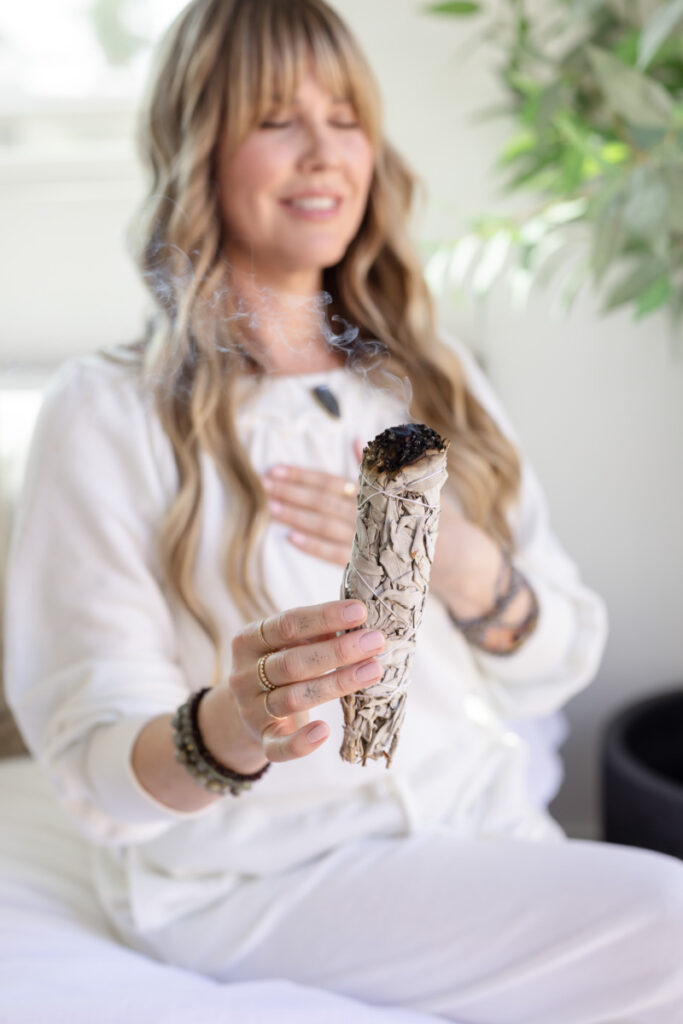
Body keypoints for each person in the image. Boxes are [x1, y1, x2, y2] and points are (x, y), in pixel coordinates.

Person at [4, 1, 683, 1021]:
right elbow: (99, 779)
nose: (324, 153)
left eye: (347, 116)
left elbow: (561, 651)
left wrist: (467, 572)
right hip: (264, 879)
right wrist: (235, 723)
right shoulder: (108, 412)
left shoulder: (425, 374)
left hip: (481, 827)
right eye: (276, 117)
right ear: (200, 143)